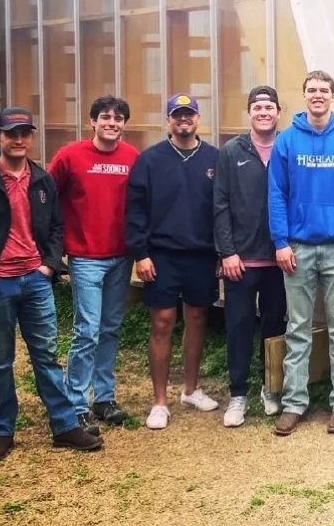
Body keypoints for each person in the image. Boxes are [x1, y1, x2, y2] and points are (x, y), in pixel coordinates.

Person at [0, 107, 103, 462]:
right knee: (1, 360)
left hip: (35, 282)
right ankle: (3, 432)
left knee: (46, 356)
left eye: (25, 133)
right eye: (11, 133)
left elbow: (57, 227)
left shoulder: (42, 180)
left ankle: (64, 427)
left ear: (31, 137)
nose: (18, 140)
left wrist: (48, 265)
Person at [268, 71, 334, 437]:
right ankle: (295, 402)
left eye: (324, 90)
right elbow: (277, 194)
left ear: (332, 96)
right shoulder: (287, 141)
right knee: (298, 327)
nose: (317, 96)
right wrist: (280, 242)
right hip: (297, 247)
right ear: (304, 95)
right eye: (311, 90)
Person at [125, 94, 221, 430]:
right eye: (177, 115)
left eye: (189, 114)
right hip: (161, 255)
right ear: (168, 121)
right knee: (162, 322)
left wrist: (222, 252)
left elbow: (221, 209)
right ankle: (160, 402)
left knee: (197, 317)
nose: (184, 120)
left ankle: (191, 390)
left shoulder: (213, 158)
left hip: (201, 254)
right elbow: (135, 209)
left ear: (198, 119)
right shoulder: (150, 160)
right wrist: (140, 252)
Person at [48, 95, 138, 433]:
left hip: (120, 256)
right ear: (92, 122)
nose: (112, 123)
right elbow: (46, 195)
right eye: (105, 117)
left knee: (111, 328)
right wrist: (54, 249)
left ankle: (104, 398)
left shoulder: (132, 157)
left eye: (118, 118)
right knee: (87, 330)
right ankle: (76, 402)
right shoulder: (70, 156)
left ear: (124, 124)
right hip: (85, 257)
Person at [213, 85, 288, 428]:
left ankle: (271, 389)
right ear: (249, 113)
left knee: (274, 326)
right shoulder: (232, 151)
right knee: (239, 327)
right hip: (240, 261)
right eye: (257, 106)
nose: (263, 112)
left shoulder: (288, 147)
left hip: (278, 259)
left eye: (269, 106)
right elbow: (221, 203)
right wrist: (227, 251)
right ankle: (239, 394)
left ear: (278, 112)